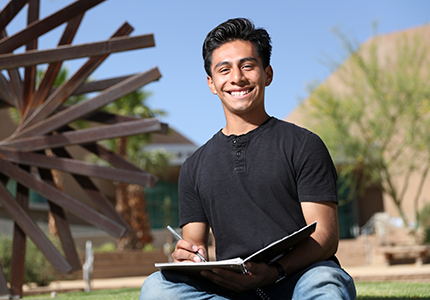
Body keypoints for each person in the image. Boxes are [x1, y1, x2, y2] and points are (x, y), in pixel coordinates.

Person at [140, 18, 356, 300]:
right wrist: (187, 254)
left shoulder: (304, 145)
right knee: (156, 288)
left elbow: (325, 237)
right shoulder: (194, 166)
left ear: (267, 74)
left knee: (325, 281)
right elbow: (193, 243)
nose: (237, 78)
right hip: (231, 290)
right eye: (224, 69)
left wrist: (275, 271)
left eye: (248, 66)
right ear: (211, 83)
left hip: (296, 280)